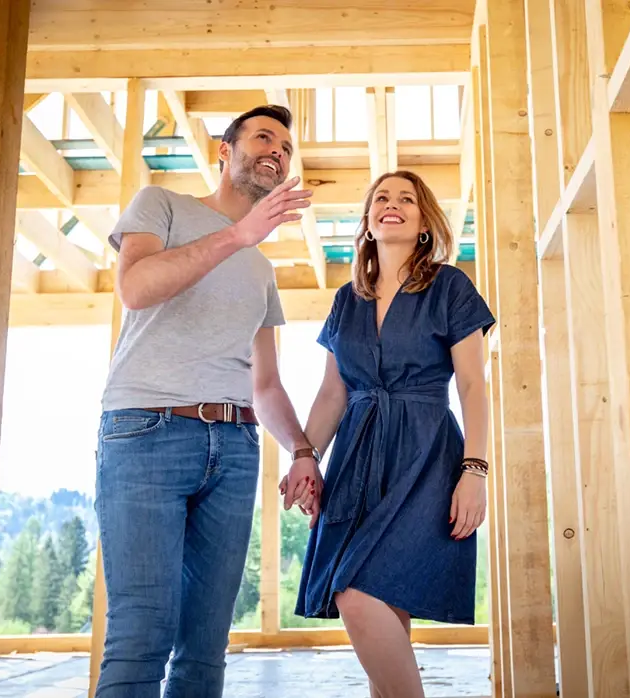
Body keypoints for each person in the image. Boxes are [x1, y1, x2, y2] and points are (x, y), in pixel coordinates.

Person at [95, 104, 320, 698]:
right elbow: (135, 289)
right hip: (146, 432)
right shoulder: (161, 205)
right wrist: (238, 235)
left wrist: (301, 450)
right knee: (141, 632)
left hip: (236, 448)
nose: (277, 150)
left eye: (286, 148)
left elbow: (265, 384)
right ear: (225, 150)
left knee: (205, 645)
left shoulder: (261, 268)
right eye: (263, 137)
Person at [282, 170, 495, 698]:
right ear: (368, 220)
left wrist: (475, 469)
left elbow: (472, 384)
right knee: (381, 601)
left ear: (424, 223)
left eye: (407, 199)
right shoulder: (346, 300)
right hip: (355, 456)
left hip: (426, 457)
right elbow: (333, 393)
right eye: (382, 198)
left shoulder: (449, 286)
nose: (392, 205)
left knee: (355, 591)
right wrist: (305, 456)